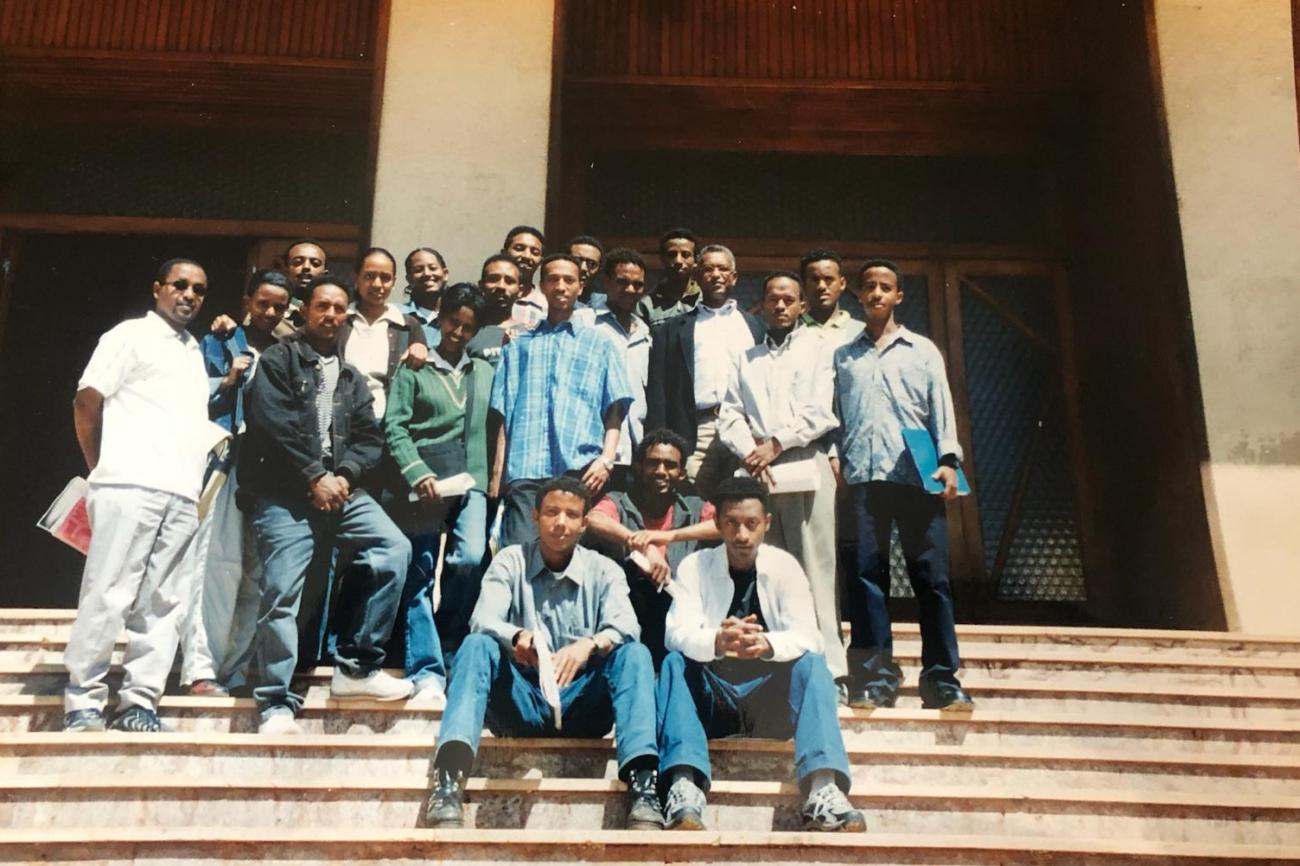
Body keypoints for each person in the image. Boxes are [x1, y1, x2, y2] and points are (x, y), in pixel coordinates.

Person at [424, 476, 663, 831]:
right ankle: (448, 783)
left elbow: (627, 625)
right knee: (477, 645)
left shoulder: (604, 569)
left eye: (571, 514)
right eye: (551, 512)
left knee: (635, 655)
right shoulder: (510, 560)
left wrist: (589, 645)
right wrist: (517, 635)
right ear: (535, 517)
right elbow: (482, 619)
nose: (560, 522)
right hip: (523, 700)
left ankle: (643, 786)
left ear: (584, 523)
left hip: (583, 704)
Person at [239, 274, 414, 735]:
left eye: (340, 309)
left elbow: (368, 439)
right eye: (323, 307)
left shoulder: (351, 376)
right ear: (305, 311)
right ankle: (275, 701)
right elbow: (271, 425)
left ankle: (356, 666)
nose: (332, 316)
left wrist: (343, 476)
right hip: (286, 495)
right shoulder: (278, 362)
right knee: (282, 593)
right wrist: (314, 476)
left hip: (340, 491)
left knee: (393, 549)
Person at [655, 476, 865, 832]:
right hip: (714, 700)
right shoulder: (695, 566)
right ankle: (684, 785)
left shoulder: (784, 566)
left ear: (766, 523)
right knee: (674, 663)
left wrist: (767, 644)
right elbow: (675, 633)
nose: (741, 535)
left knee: (814, 664)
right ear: (718, 524)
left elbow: (810, 637)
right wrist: (717, 641)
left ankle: (822, 789)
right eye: (732, 524)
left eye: (751, 524)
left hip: (769, 705)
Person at [63, 258, 215, 732]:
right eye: (179, 285)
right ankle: (83, 702)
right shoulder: (128, 335)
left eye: (198, 289)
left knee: (164, 603)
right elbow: (87, 400)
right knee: (109, 595)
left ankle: (138, 703)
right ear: (157, 289)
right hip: (128, 483)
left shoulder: (194, 350)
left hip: (180, 493)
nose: (188, 295)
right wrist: (98, 465)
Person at [832, 258, 973, 711]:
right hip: (863, 480)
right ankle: (874, 679)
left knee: (930, 578)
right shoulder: (843, 355)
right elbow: (832, 416)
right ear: (857, 294)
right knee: (865, 577)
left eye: (885, 287)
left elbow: (942, 409)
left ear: (898, 296)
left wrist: (949, 461)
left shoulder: (923, 350)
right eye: (869, 286)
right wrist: (836, 460)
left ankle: (941, 679)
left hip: (917, 477)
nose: (876, 293)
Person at [718, 271, 846, 681]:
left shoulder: (819, 350)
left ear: (802, 306)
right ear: (763, 305)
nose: (780, 306)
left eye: (789, 299)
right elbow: (730, 415)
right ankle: (778, 666)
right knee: (766, 569)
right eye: (773, 299)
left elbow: (821, 412)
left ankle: (829, 671)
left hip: (804, 464)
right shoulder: (747, 358)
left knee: (814, 569)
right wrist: (752, 453)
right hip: (759, 473)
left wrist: (776, 443)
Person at [179, 269, 293, 697]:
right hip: (229, 463)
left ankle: (237, 672)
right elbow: (193, 399)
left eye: (278, 306)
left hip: (273, 473)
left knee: (257, 575)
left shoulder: (289, 348)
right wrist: (228, 380)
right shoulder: (219, 341)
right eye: (262, 302)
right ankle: (201, 669)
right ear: (247, 300)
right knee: (216, 566)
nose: (269, 311)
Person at [385, 284, 494, 691]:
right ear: (440, 318)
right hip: (425, 483)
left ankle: (450, 641)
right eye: (453, 322)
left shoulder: (483, 370)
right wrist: (416, 473)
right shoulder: (414, 368)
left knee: (469, 558)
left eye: (468, 327)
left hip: (473, 480)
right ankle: (426, 667)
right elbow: (394, 425)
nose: (458, 333)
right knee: (421, 570)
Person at [489, 254, 632, 547]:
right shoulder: (517, 346)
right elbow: (504, 413)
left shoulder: (600, 343)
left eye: (569, 280)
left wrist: (606, 459)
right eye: (553, 279)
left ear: (581, 287)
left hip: (579, 467)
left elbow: (615, 411)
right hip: (525, 467)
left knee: (571, 558)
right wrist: (498, 474)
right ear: (542, 286)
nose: (561, 286)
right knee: (519, 555)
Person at [583, 429, 719, 666]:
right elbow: (594, 520)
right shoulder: (618, 501)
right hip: (629, 610)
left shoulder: (694, 508)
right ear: (638, 467)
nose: (661, 472)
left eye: (670, 465)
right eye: (653, 463)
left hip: (678, 613)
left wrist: (666, 536)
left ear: (683, 473)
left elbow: (726, 525)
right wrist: (643, 545)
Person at [645, 244, 765, 497]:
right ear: (697, 277)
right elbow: (659, 391)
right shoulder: (673, 329)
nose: (716, 275)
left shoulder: (754, 327)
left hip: (744, 429)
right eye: (708, 269)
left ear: (734, 276)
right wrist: (659, 440)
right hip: (695, 429)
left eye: (723, 269)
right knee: (688, 500)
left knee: (740, 503)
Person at [338, 247, 429, 420]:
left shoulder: (408, 325)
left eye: (385, 278)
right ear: (356, 278)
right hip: (342, 421)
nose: (377, 284)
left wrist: (420, 346)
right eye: (369, 276)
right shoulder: (341, 320)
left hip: (385, 423)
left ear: (394, 282)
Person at [586, 247, 652, 488]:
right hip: (596, 445)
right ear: (606, 282)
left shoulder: (645, 331)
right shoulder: (586, 323)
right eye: (622, 282)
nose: (630, 290)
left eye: (638, 284)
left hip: (635, 443)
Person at [466, 256, 529, 369]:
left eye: (509, 281)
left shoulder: (530, 333)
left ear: (520, 291)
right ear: (481, 286)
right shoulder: (467, 332)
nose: (501, 286)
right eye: (493, 279)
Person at [636, 228, 701, 326]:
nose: (678, 261)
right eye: (672, 255)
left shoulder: (705, 300)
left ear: (696, 260)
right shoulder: (646, 305)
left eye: (685, 255)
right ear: (662, 260)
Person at [799, 249, 864, 344]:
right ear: (804, 285)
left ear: (842, 284)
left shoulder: (861, 332)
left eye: (828, 279)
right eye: (815, 279)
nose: (821, 286)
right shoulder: (793, 330)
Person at [502, 225, 547, 326]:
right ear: (504, 253)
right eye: (519, 248)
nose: (527, 256)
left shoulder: (546, 306)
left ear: (541, 262)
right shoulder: (486, 297)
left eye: (534, 252)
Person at [400, 247, 449, 330]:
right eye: (418, 270)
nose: (427, 273)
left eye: (433, 268)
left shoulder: (457, 320)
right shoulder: (397, 315)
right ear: (409, 279)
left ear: (445, 274)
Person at [282, 239, 327, 321]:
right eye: (298, 262)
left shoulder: (332, 315)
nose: (306, 267)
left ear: (324, 273)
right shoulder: (271, 313)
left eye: (315, 263)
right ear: (286, 270)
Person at [566, 233, 606, 309]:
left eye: (592, 264)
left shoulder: (605, 305)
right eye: (576, 260)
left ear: (599, 269)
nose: (583, 268)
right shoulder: (546, 299)